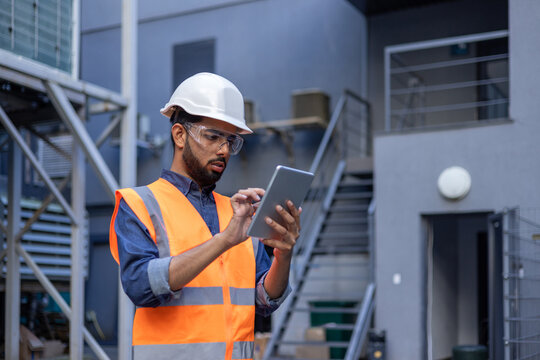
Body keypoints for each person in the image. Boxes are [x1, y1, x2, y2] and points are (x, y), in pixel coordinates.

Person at [109, 72, 300, 360]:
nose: (223, 150)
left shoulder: (237, 214)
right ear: (179, 135)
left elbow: (263, 300)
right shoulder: (139, 204)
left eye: (231, 141)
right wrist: (223, 241)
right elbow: (140, 286)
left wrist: (283, 255)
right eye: (212, 136)